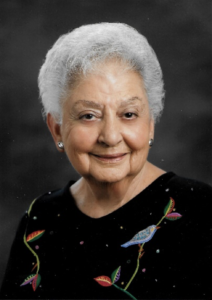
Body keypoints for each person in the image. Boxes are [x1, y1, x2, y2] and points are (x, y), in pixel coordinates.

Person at [0, 23, 211, 300]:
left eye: (129, 114)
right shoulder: (40, 218)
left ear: (150, 124)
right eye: (89, 115)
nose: (111, 137)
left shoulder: (203, 211)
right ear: (57, 129)